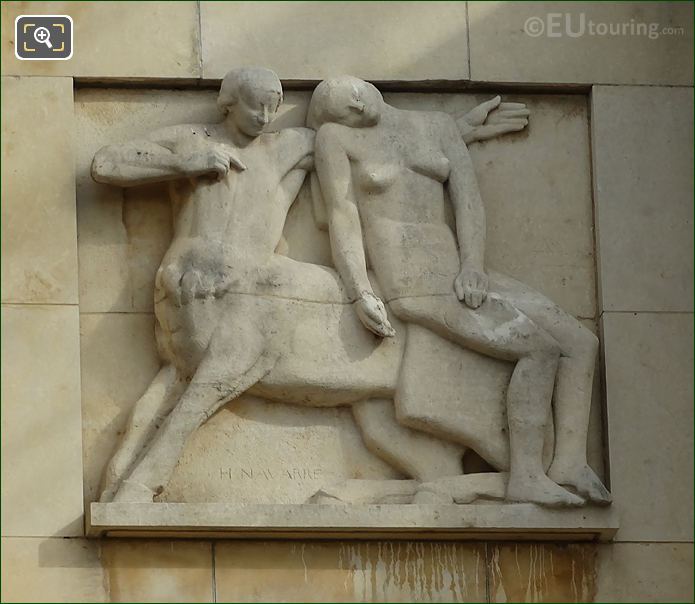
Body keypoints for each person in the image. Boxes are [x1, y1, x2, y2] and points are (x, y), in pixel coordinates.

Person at [310, 76, 611, 506]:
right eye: (343, 107)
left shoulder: (436, 126)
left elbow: (468, 199)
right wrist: (361, 291)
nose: (356, 105)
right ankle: (525, 475)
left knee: (581, 342)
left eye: (356, 93)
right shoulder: (335, 138)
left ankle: (567, 463)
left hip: (456, 269)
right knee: (539, 349)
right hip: (412, 282)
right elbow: (343, 216)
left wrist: (473, 266)